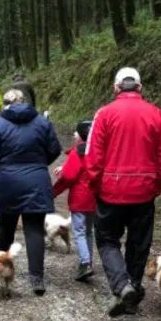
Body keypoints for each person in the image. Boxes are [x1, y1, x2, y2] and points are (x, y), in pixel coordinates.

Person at [86, 67, 161, 317]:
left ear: (116, 88)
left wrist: (96, 186)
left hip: (110, 191)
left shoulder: (104, 114)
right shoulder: (156, 115)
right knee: (139, 244)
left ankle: (122, 286)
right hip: (144, 193)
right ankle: (132, 287)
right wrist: (156, 187)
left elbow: (93, 156)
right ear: (139, 87)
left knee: (106, 240)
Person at [0, 89, 61, 295]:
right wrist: (38, 164)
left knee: (6, 226)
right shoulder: (41, 122)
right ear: (24, 102)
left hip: (8, 181)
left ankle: (3, 268)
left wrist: (4, 168)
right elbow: (55, 148)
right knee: (34, 228)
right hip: (36, 180)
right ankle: (36, 278)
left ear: (6, 103)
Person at [52, 119, 96, 281]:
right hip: (95, 197)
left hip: (80, 197)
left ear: (80, 134)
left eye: (76, 132)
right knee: (88, 231)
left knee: (79, 232)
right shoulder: (99, 149)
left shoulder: (78, 151)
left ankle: (85, 263)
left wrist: (53, 192)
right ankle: (88, 260)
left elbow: (69, 176)